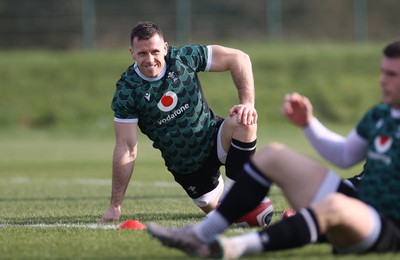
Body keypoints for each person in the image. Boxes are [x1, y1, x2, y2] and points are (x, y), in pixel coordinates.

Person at [147, 40, 400, 259]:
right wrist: (308, 124)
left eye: (392, 75)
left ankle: (233, 248)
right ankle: (200, 234)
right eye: (383, 72)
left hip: (388, 226)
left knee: (334, 205)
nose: (382, 80)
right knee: (273, 155)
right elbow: (345, 156)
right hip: (360, 202)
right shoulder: (381, 115)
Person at [101, 21, 268, 223]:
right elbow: (126, 148)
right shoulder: (128, 89)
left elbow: (239, 58)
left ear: (165, 47)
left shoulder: (182, 58)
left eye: (155, 51)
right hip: (189, 169)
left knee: (245, 120)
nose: (150, 59)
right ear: (132, 53)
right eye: (142, 53)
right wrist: (115, 206)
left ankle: (234, 197)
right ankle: (231, 204)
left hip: (213, 138)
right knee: (230, 219)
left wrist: (247, 103)